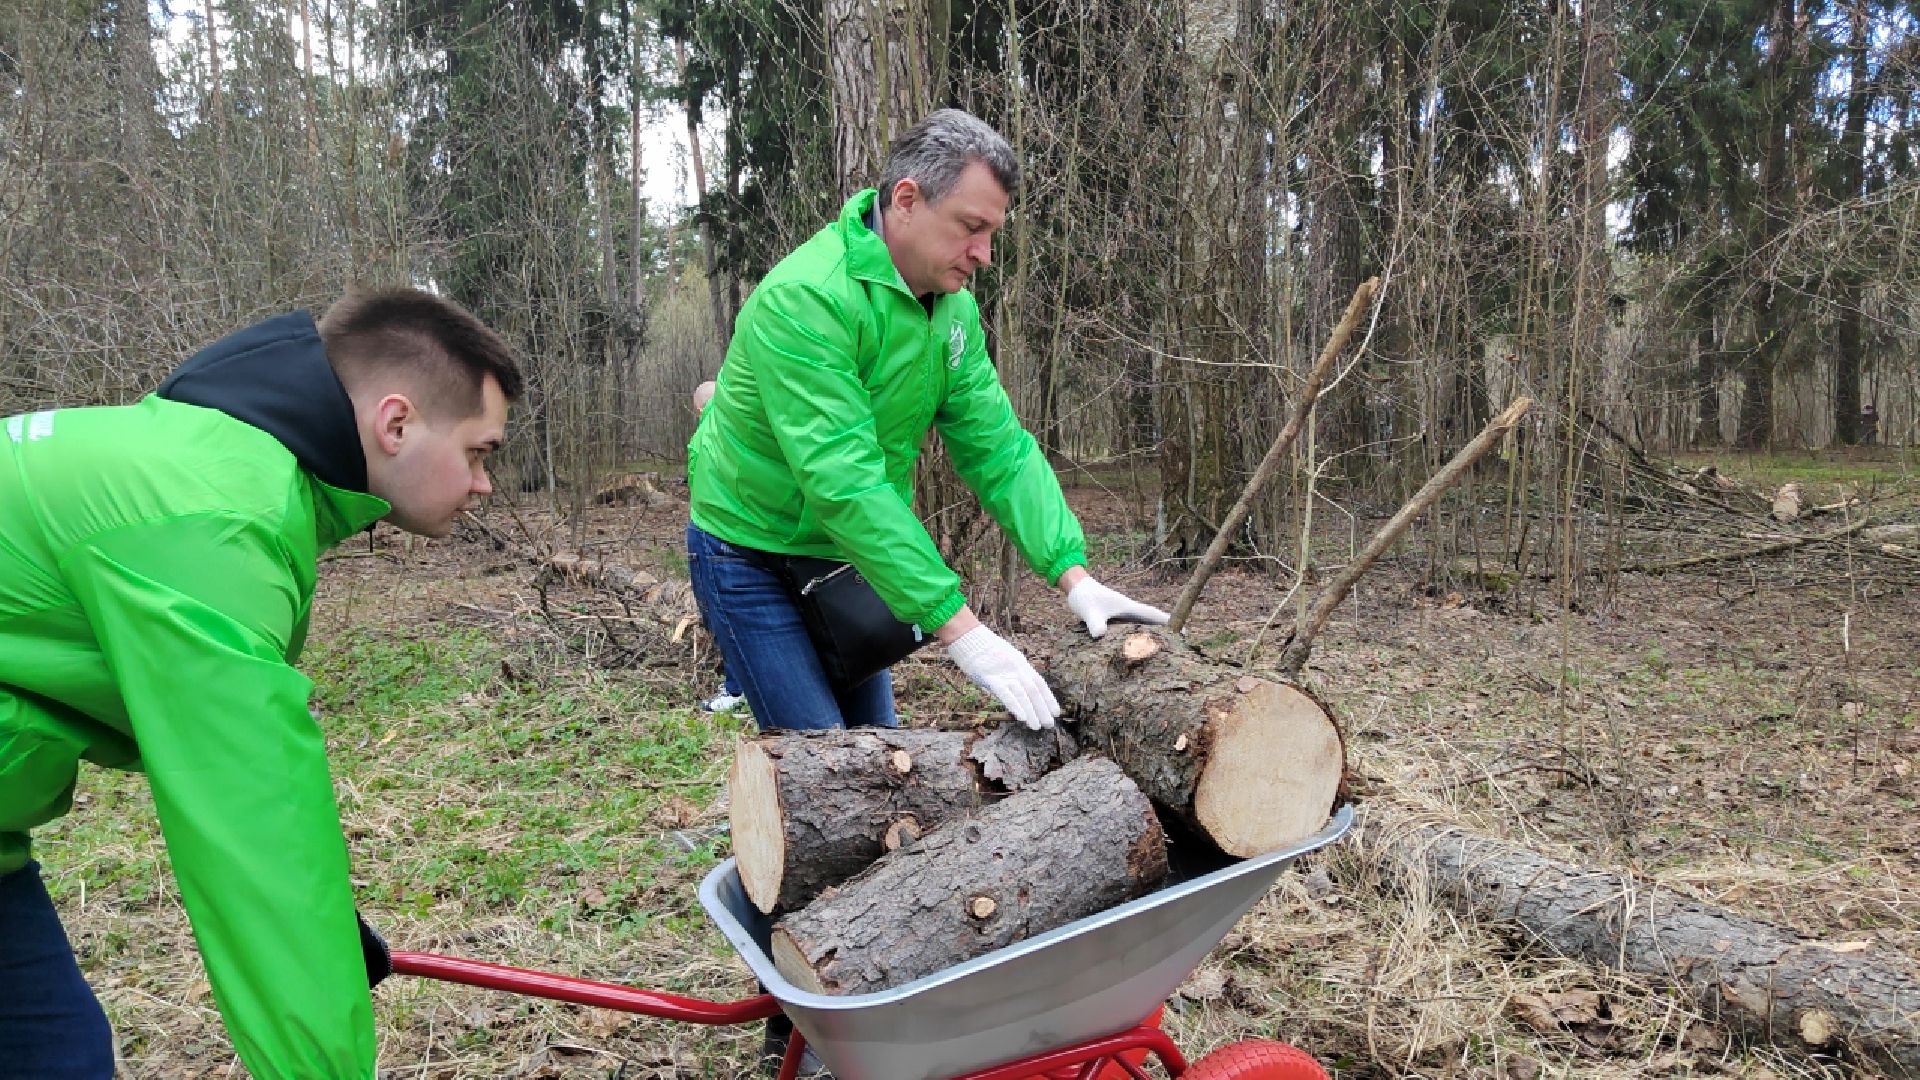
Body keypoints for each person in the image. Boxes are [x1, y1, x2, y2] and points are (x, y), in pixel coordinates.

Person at [0, 288, 522, 1078]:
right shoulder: (212, 519)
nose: (484, 483)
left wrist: (321, 925)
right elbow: (249, 812)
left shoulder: (222, 465)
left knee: (56, 1054)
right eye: (480, 452)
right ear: (395, 423)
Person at [685, 107, 1166, 737]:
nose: (985, 255)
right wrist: (963, 631)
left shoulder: (953, 312)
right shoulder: (808, 299)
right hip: (749, 553)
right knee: (825, 771)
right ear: (907, 200)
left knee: (881, 757)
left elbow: (1000, 449)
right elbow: (845, 482)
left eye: (993, 233)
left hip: (848, 555)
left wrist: (1073, 575)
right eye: (972, 228)